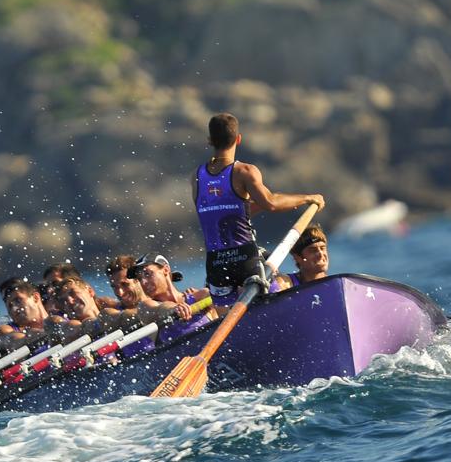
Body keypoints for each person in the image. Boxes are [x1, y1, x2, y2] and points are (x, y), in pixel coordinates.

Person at [194, 112, 325, 304]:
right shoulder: (245, 171)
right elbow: (271, 203)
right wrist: (307, 198)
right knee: (271, 296)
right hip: (245, 260)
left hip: (215, 264)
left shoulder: (197, 177)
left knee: (224, 315)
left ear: (210, 141)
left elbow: (223, 214)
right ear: (238, 139)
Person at [128, 254, 210, 321]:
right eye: (140, 278)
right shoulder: (145, 307)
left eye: (147, 274)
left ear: (166, 270)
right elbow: (161, 309)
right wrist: (174, 309)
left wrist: (210, 294)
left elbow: (212, 294)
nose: (143, 282)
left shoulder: (200, 296)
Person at [275, 223, 330, 290]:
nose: (321, 254)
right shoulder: (285, 284)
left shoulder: (336, 285)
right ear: (298, 258)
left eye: (322, 248)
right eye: (313, 250)